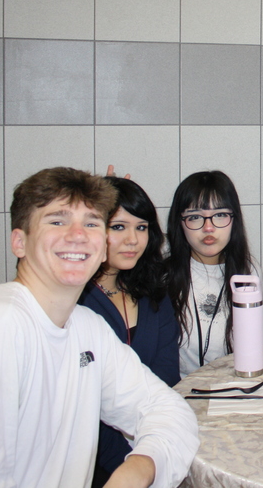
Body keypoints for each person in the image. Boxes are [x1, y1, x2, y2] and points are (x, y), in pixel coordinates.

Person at [0, 167, 198, 488]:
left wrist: (138, 468)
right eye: (57, 221)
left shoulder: (86, 328)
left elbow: (167, 409)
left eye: (92, 223)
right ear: (19, 242)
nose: (78, 235)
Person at [79, 176, 181, 486]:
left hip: (153, 447)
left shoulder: (153, 294)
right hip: (92, 463)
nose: (133, 240)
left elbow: (167, 379)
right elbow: (85, 408)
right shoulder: (75, 301)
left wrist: (156, 452)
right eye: (119, 227)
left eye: (141, 227)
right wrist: (129, 465)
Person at [166, 170, 255, 377]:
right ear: (180, 223)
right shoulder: (163, 276)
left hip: (234, 390)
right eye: (195, 217)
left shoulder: (248, 273)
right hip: (179, 395)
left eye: (220, 215)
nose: (208, 228)